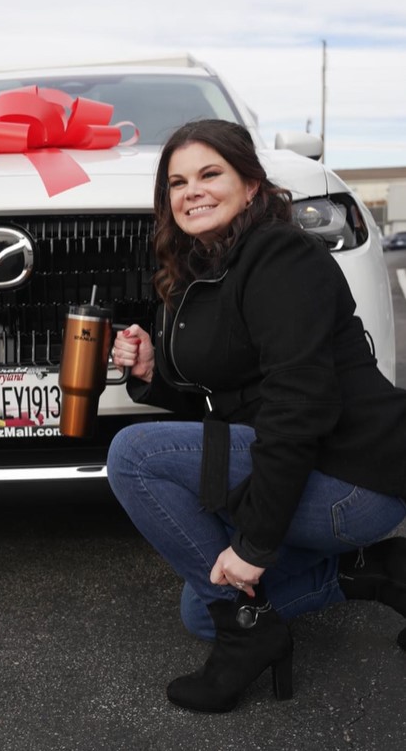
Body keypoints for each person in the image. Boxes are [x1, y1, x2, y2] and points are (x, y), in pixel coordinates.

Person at [106, 119, 406, 714]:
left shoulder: (280, 254)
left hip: (353, 476)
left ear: (250, 185)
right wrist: (152, 375)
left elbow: (300, 403)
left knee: (134, 457)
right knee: (203, 611)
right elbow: (234, 400)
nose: (192, 190)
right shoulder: (208, 270)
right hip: (306, 462)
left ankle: (251, 635)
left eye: (210, 173)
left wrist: (256, 544)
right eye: (177, 181)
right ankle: (377, 572)